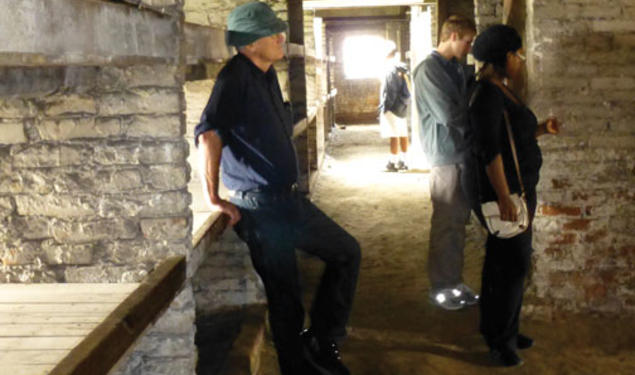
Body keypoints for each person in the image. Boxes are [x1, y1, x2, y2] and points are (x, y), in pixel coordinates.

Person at [194, 3, 361, 374]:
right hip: (261, 209)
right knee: (285, 300)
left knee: (346, 252)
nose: (280, 37)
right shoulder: (233, 79)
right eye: (273, 34)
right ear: (250, 44)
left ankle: (321, 340)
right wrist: (213, 196)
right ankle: (297, 368)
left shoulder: (266, 74)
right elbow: (208, 135)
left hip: (287, 200)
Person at [468, 24, 560, 367]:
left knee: (502, 264)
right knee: (513, 265)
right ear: (505, 56)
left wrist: (540, 130)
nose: (520, 61)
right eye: (518, 55)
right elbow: (489, 151)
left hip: (520, 189)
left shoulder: (499, 89)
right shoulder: (487, 96)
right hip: (508, 194)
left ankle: (503, 329)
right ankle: (500, 342)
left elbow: (510, 140)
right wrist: (504, 196)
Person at [413, 15, 479, 310]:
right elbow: (448, 115)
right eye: (468, 41)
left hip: (460, 153)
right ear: (452, 35)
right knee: (446, 224)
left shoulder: (453, 68)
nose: (470, 47)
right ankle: (441, 288)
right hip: (445, 155)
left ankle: (453, 281)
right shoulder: (429, 70)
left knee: (457, 223)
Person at [379, 48, 411, 172]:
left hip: (393, 107)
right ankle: (404, 161)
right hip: (403, 106)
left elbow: (390, 91)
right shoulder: (403, 68)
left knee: (394, 135)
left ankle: (392, 163)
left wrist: (386, 107)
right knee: (403, 134)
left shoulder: (391, 69)